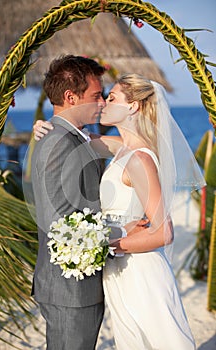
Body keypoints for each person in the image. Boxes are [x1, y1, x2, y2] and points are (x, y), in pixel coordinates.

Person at [33, 74, 205, 349]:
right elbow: (75, 138)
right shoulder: (122, 148)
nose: (102, 103)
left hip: (140, 272)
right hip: (120, 273)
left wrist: (109, 244)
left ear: (134, 107)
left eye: (111, 98)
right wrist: (45, 126)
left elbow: (164, 232)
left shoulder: (139, 158)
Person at [30, 55, 108, 350]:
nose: (102, 103)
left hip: (79, 288)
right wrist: (120, 236)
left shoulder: (75, 137)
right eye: (97, 95)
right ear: (71, 97)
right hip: (69, 288)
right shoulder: (59, 142)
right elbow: (57, 222)